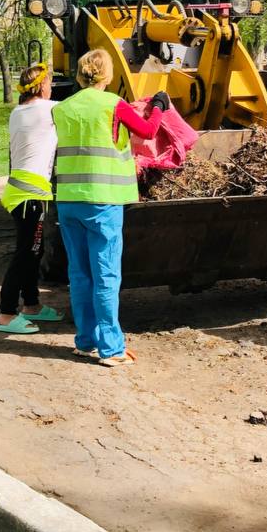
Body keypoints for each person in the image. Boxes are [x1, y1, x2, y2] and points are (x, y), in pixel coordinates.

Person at [52, 48, 170, 367]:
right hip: (102, 200)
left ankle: (85, 341)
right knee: (106, 273)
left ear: (79, 74)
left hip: (68, 200)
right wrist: (158, 106)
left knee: (80, 274)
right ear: (107, 74)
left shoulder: (63, 108)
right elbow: (146, 132)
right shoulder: (112, 104)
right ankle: (112, 348)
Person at [0, 63, 64, 335]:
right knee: (25, 254)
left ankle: (32, 305)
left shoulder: (18, 111)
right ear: (41, 86)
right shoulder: (49, 109)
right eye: (49, 83)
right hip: (29, 195)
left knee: (35, 252)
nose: (51, 87)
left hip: (22, 191)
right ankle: (6, 313)